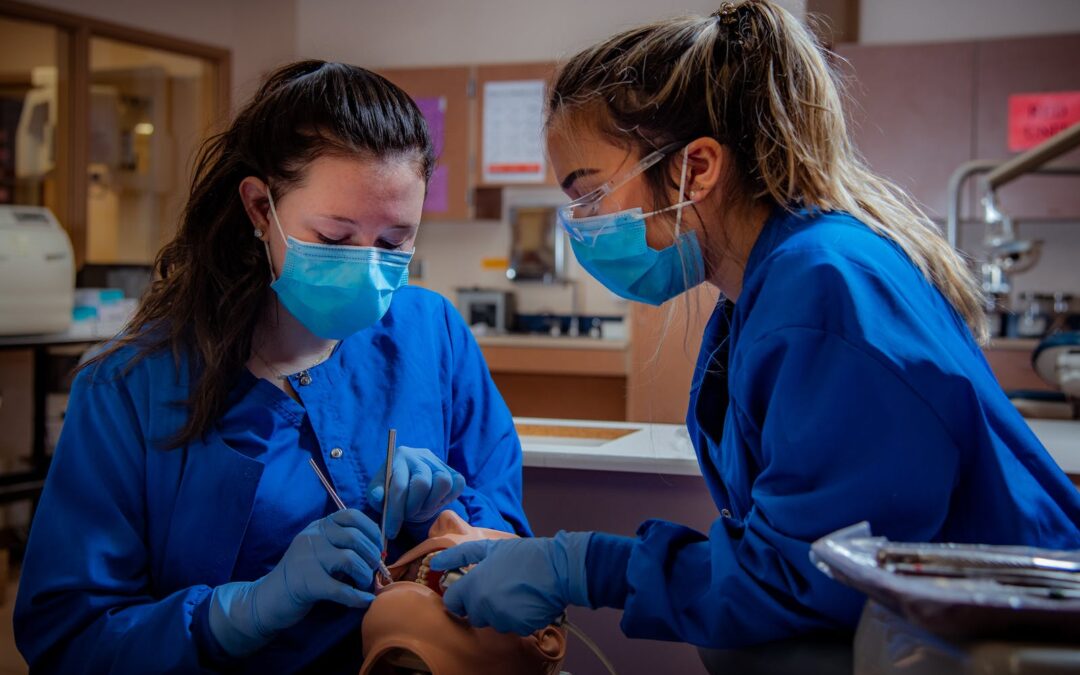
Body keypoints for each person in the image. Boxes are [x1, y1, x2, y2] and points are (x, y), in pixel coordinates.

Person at [430, 2, 1080, 672]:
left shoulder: (825, 289)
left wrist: (584, 566)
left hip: (1011, 642)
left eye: (591, 196)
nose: (583, 226)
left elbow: (802, 576)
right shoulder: (765, 292)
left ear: (696, 168)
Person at [14, 60, 530, 674]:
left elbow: (505, 538)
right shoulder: (133, 387)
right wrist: (241, 612)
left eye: (394, 243)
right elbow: (68, 638)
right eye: (335, 239)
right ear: (261, 209)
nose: (368, 267)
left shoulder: (433, 334)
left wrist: (447, 523)